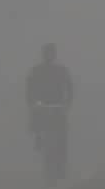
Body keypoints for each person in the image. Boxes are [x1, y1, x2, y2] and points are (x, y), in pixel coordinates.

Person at [25, 43, 74, 178]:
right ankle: (39, 138)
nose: (49, 56)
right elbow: (29, 90)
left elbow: (70, 88)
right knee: (38, 124)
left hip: (57, 108)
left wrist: (67, 104)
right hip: (42, 108)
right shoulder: (36, 71)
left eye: (51, 53)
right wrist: (32, 104)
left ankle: (61, 165)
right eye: (47, 53)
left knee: (62, 137)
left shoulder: (61, 70)